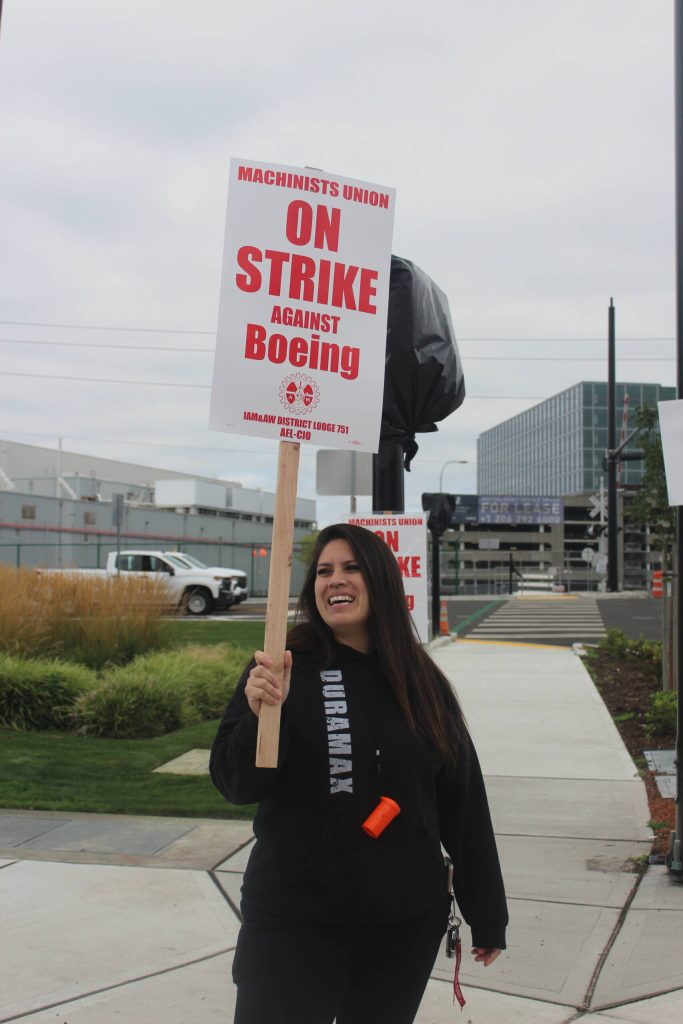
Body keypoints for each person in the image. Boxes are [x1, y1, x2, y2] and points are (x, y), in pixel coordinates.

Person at [210, 523, 508, 1024]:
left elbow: (462, 803)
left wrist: (487, 912)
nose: (335, 580)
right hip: (294, 923)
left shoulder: (421, 682)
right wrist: (260, 716)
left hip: (402, 927)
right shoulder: (283, 667)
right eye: (324, 571)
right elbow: (234, 784)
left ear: (381, 581)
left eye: (351, 568)